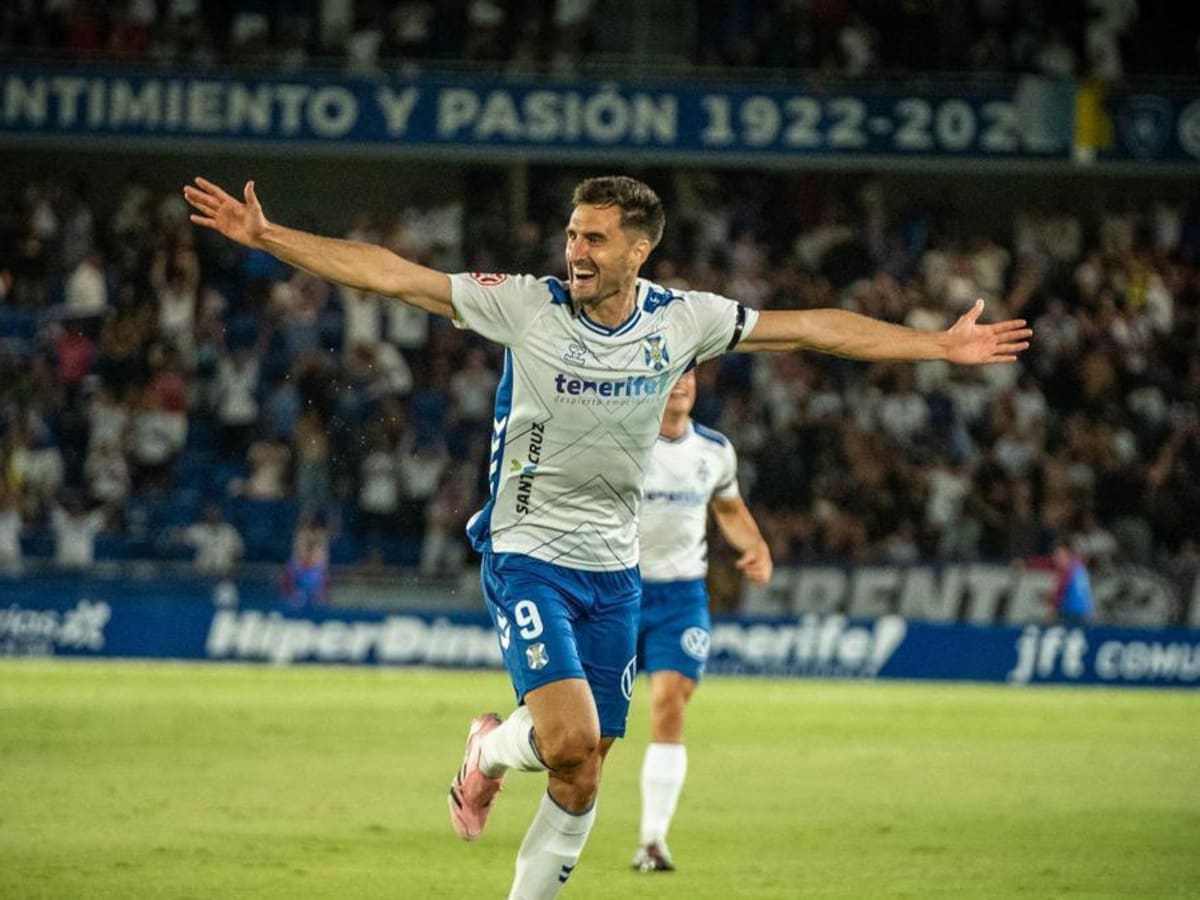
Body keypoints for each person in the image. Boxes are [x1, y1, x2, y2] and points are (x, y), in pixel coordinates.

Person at [183, 173, 1031, 899]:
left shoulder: (684, 321)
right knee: (568, 739)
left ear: (639, 250)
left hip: (616, 573)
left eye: (594, 238)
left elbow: (813, 326)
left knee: (583, 770)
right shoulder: (526, 305)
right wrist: (269, 237)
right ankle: (489, 754)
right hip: (527, 555)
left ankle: (492, 758)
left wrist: (935, 346)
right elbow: (396, 277)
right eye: (571, 234)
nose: (575, 251)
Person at [631, 368, 772, 873]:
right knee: (592, 730)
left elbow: (729, 509)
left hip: (682, 598)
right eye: (671, 375)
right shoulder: (625, 442)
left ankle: (653, 840)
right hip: (618, 594)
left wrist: (756, 546)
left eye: (688, 375)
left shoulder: (715, 451)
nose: (681, 384)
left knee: (669, 704)